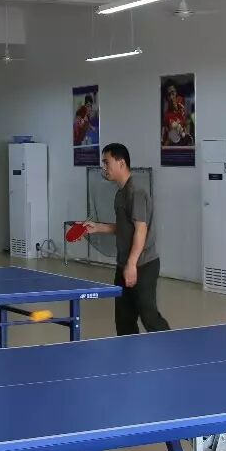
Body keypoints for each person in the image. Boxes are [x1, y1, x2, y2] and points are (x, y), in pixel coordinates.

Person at [80, 143, 167, 335]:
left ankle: (172, 346)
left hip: (143, 264)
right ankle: (128, 352)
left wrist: (132, 264)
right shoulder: (120, 194)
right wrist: (98, 227)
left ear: (121, 163)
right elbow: (125, 228)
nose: (104, 167)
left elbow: (141, 230)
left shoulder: (136, 192)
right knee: (123, 320)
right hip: (125, 264)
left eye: (107, 162)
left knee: (149, 317)